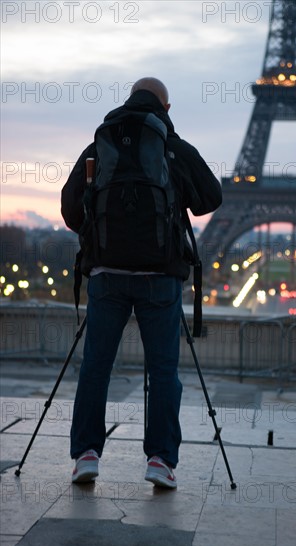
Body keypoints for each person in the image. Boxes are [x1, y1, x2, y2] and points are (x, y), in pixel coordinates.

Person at [61, 77, 222, 489]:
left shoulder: (102, 141)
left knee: (96, 366)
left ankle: (86, 455)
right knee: (164, 370)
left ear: (128, 100)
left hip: (106, 276)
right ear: (164, 108)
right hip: (158, 277)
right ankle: (160, 460)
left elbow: (69, 204)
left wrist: (96, 238)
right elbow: (211, 197)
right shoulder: (170, 144)